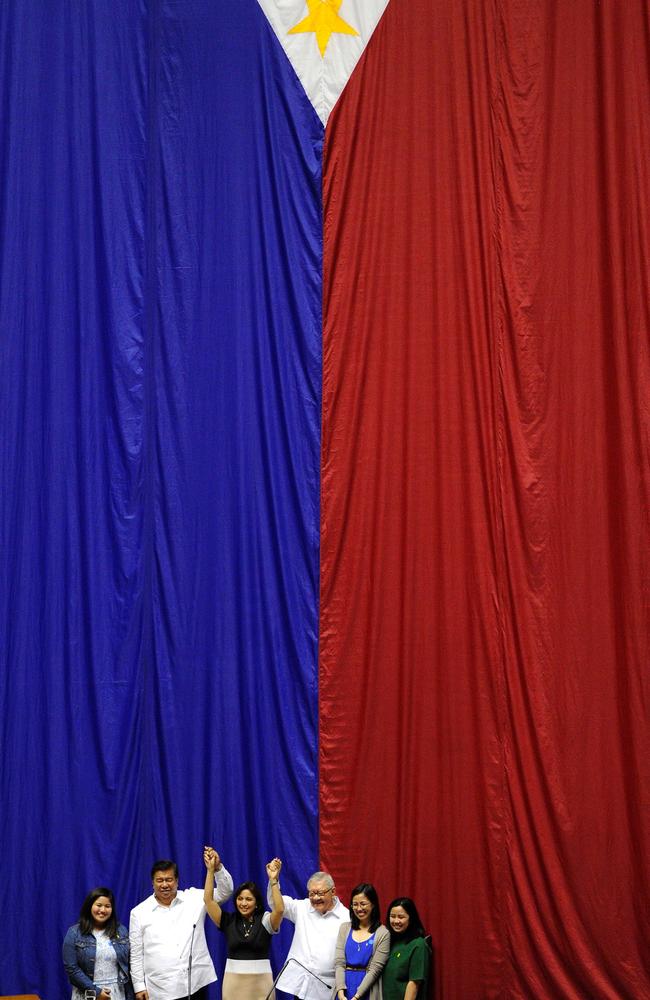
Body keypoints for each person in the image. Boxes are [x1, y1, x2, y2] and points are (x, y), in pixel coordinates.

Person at [129, 850, 233, 1000]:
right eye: (160, 880)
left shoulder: (194, 898)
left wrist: (217, 868)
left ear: (177, 881)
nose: (165, 884)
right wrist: (139, 986)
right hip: (161, 989)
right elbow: (136, 954)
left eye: (169, 879)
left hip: (195, 984)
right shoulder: (139, 912)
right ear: (152, 883)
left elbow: (225, 892)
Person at [203, 847, 284, 999]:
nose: (244, 903)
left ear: (257, 903)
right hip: (233, 986)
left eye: (249, 899)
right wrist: (210, 870)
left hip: (261, 986)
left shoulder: (266, 920)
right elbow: (208, 900)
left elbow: (279, 910)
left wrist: (273, 880)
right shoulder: (228, 921)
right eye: (240, 899)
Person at [268, 870, 349, 999]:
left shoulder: (346, 918)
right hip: (301, 986)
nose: (316, 898)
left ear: (333, 892)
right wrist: (273, 881)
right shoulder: (302, 908)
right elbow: (276, 904)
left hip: (326, 989)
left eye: (320, 893)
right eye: (312, 893)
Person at [63, 886, 134, 1000]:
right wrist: (97, 992)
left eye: (107, 906)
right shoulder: (74, 933)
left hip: (116, 993)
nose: (103, 910)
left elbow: (129, 964)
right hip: (87, 993)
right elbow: (72, 969)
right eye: (99, 905)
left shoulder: (121, 930)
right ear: (90, 906)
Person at [334, 883, 389, 1000]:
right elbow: (339, 963)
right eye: (355, 904)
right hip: (343, 989)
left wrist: (356, 997)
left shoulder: (383, 933)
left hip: (366, 990)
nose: (359, 909)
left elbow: (375, 969)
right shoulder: (344, 928)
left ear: (373, 904)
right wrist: (340, 993)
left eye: (363, 904)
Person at [382, 898, 430, 1000]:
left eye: (401, 917)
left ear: (411, 918)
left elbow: (414, 984)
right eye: (392, 916)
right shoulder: (389, 941)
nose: (396, 921)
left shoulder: (418, 944)